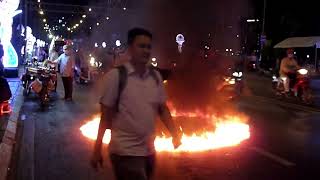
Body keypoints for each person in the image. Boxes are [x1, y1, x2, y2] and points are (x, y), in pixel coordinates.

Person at [91, 28, 181, 180]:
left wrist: (175, 133)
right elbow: (105, 116)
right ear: (130, 48)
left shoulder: (156, 77)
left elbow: (162, 109)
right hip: (124, 153)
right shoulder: (116, 76)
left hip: (149, 152)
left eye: (148, 47)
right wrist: (97, 148)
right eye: (141, 46)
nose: (146, 50)